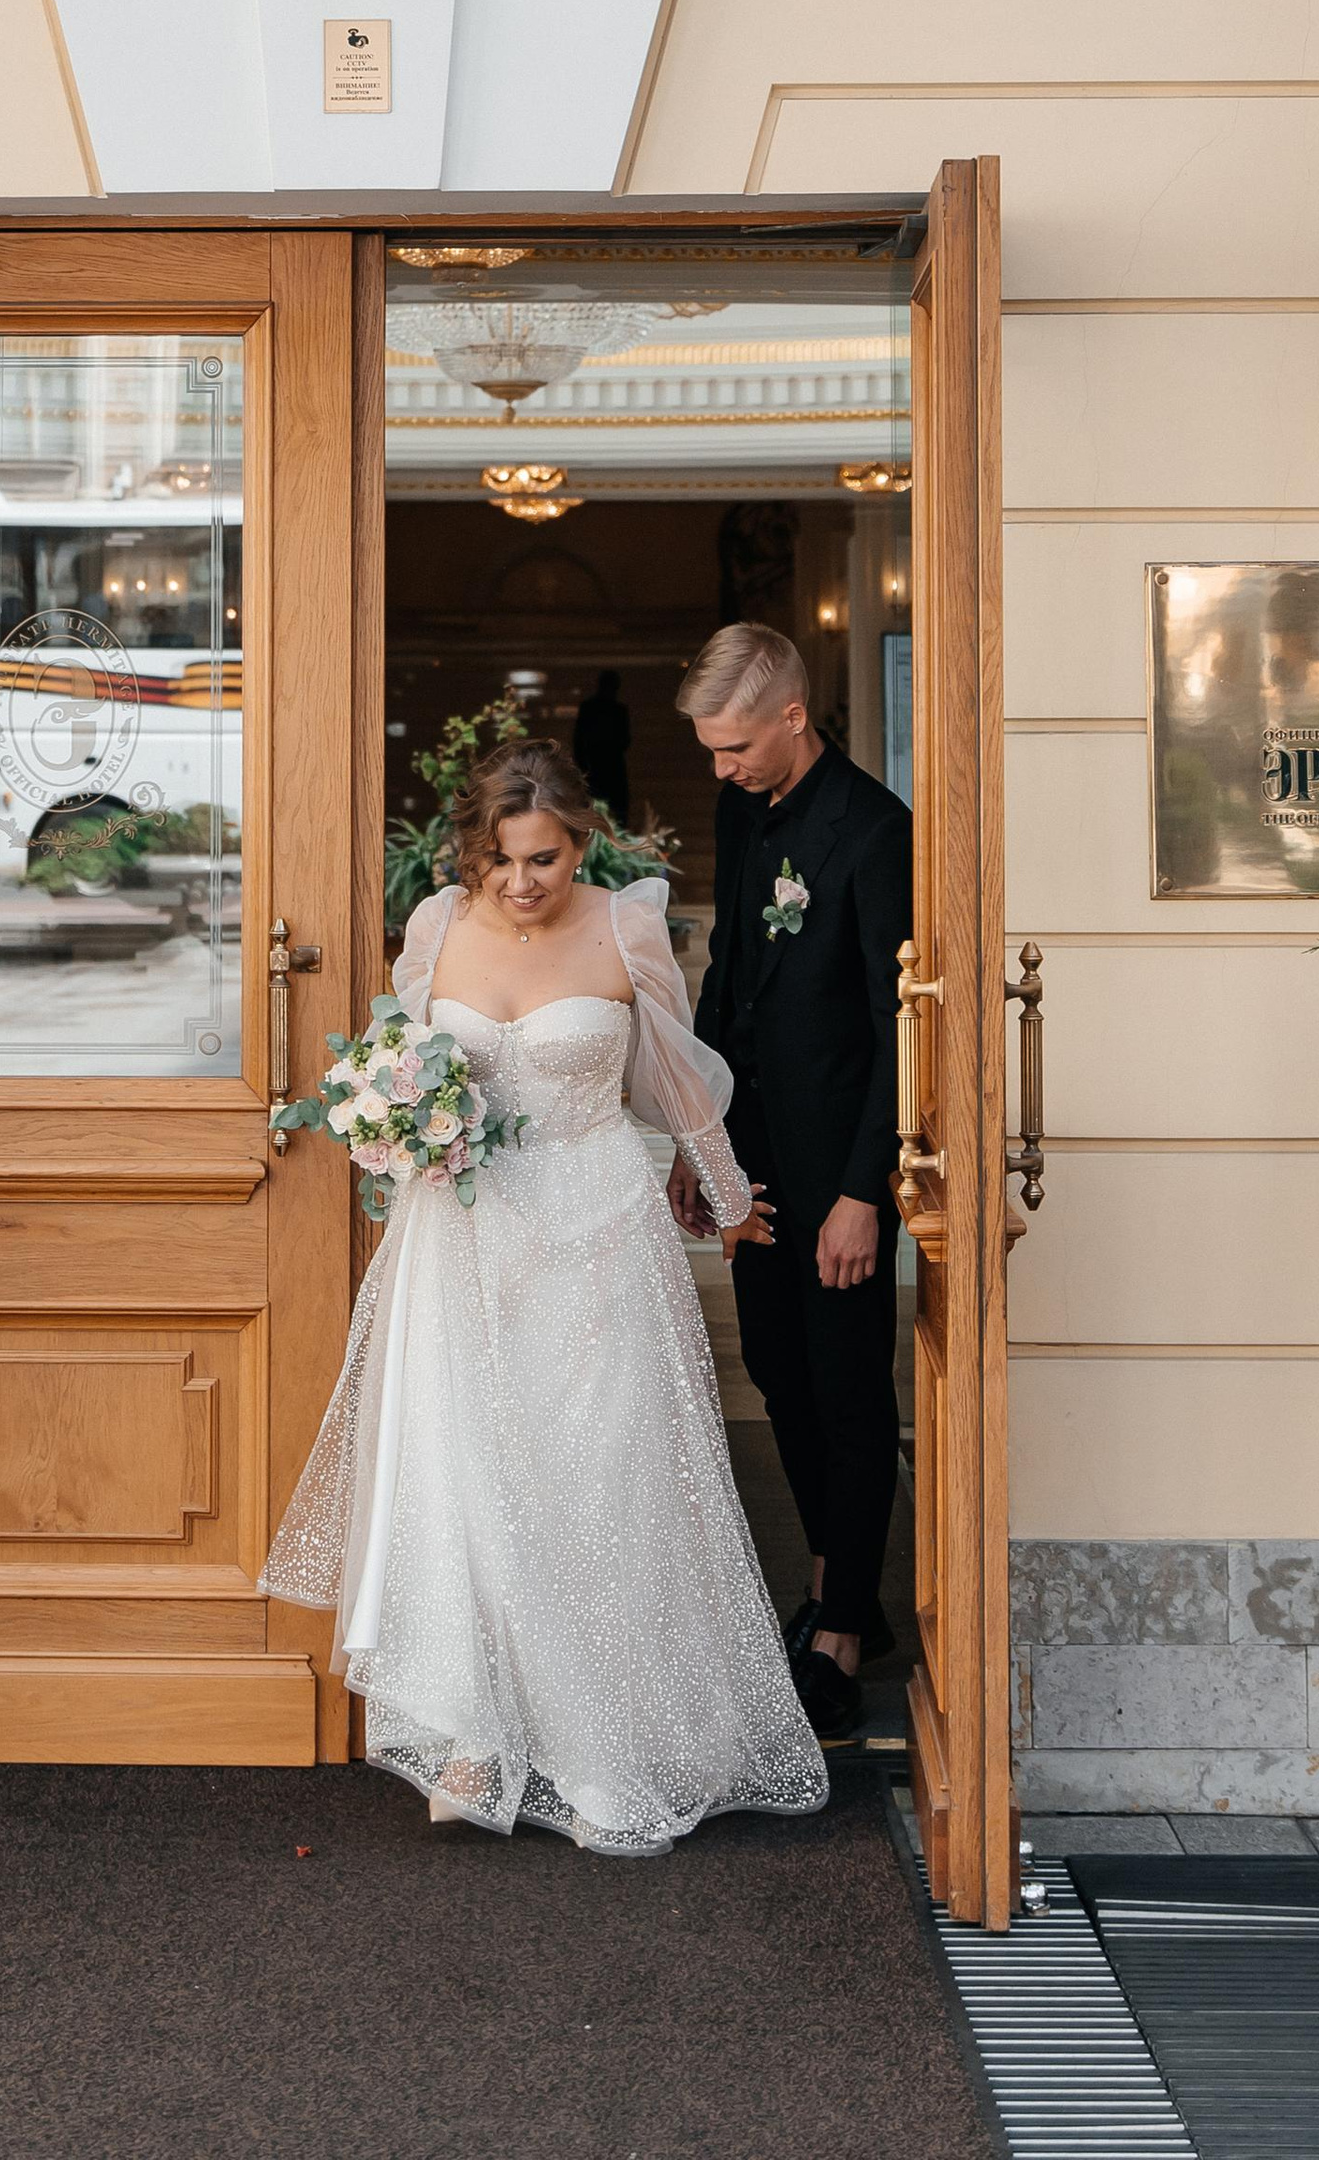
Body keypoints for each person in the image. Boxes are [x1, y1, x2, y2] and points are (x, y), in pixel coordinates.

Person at [261, 740, 827, 1855]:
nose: (523, 881)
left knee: (602, 1476)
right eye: (503, 858)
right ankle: (474, 1734)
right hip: (464, 1241)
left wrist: (725, 1197)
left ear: (581, 843)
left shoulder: (626, 924)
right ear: (473, 850)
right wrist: (388, 1126)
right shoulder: (435, 929)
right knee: (466, 1477)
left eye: (547, 857)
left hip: (602, 1234)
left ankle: (610, 1742)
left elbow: (671, 1078)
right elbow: (400, 1070)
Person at [676, 619, 912, 1743]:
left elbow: (894, 1024)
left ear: (788, 715)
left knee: (848, 1386)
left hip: (841, 1167)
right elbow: (727, 976)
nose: (719, 770)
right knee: (776, 1366)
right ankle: (839, 1581)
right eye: (711, 752)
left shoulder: (874, 831)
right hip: (753, 1150)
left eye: (732, 748)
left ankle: (841, 1629)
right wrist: (699, 1138)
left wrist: (866, 1190)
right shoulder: (743, 811)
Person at [570, 665, 632, 820]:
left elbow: (625, 740)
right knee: (597, 809)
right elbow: (579, 740)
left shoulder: (616, 710)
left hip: (604, 765)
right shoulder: (604, 709)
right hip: (598, 765)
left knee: (614, 810)